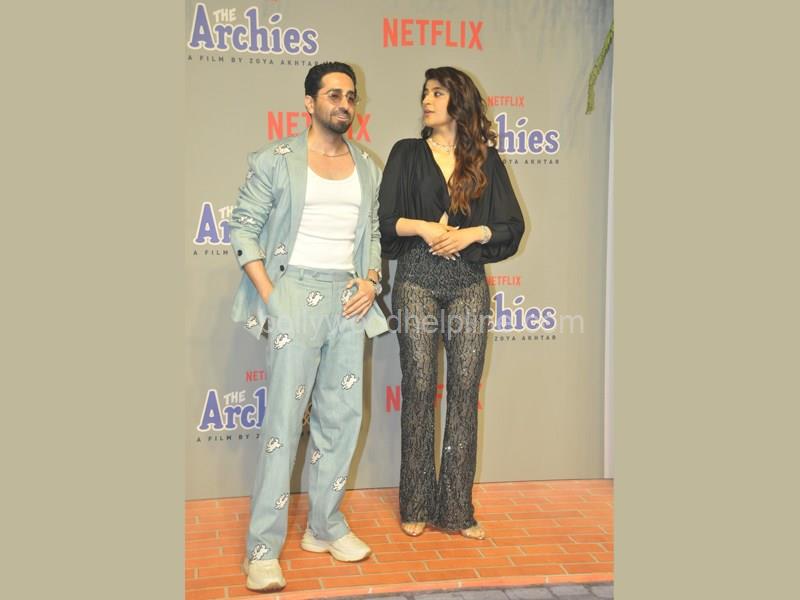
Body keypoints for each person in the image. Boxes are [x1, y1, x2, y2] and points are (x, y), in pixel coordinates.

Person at [229, 61, 388, 592]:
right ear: (309, 102)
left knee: (341, 420)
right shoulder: (275, 159)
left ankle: (325, 526)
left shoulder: (366, 166)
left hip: (349, 299)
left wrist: (370, 280)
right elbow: (243, 230)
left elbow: (372, 233)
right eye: (334, 94)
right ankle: (261, 549)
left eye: (351, 96)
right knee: (283, 424)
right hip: (293, 291)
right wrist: (274, 298)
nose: (344, 104)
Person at [378, 66, 525, 540]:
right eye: (424, 93)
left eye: (437, 93)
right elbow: (384, 222)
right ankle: (417, 502)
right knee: (419, 387)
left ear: (458, 101)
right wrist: (424, 228)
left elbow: (511, 226)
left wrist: (471, 234)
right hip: (417, 280)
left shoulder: (486, 159)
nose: (426, 100)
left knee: (463, 393)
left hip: (467, 284)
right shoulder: (406, 153)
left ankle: (457, 510)